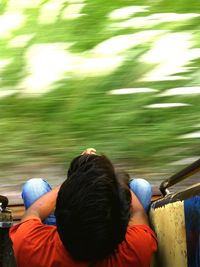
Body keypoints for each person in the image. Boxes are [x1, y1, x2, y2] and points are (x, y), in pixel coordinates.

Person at [9, 148, 157, 267]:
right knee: (141, 186)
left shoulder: (29, 246)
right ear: (122, 228)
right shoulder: (137, 250)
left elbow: (34, 211)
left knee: (34, 186)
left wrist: (81, 174)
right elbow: (138, 212)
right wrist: (108, 177)